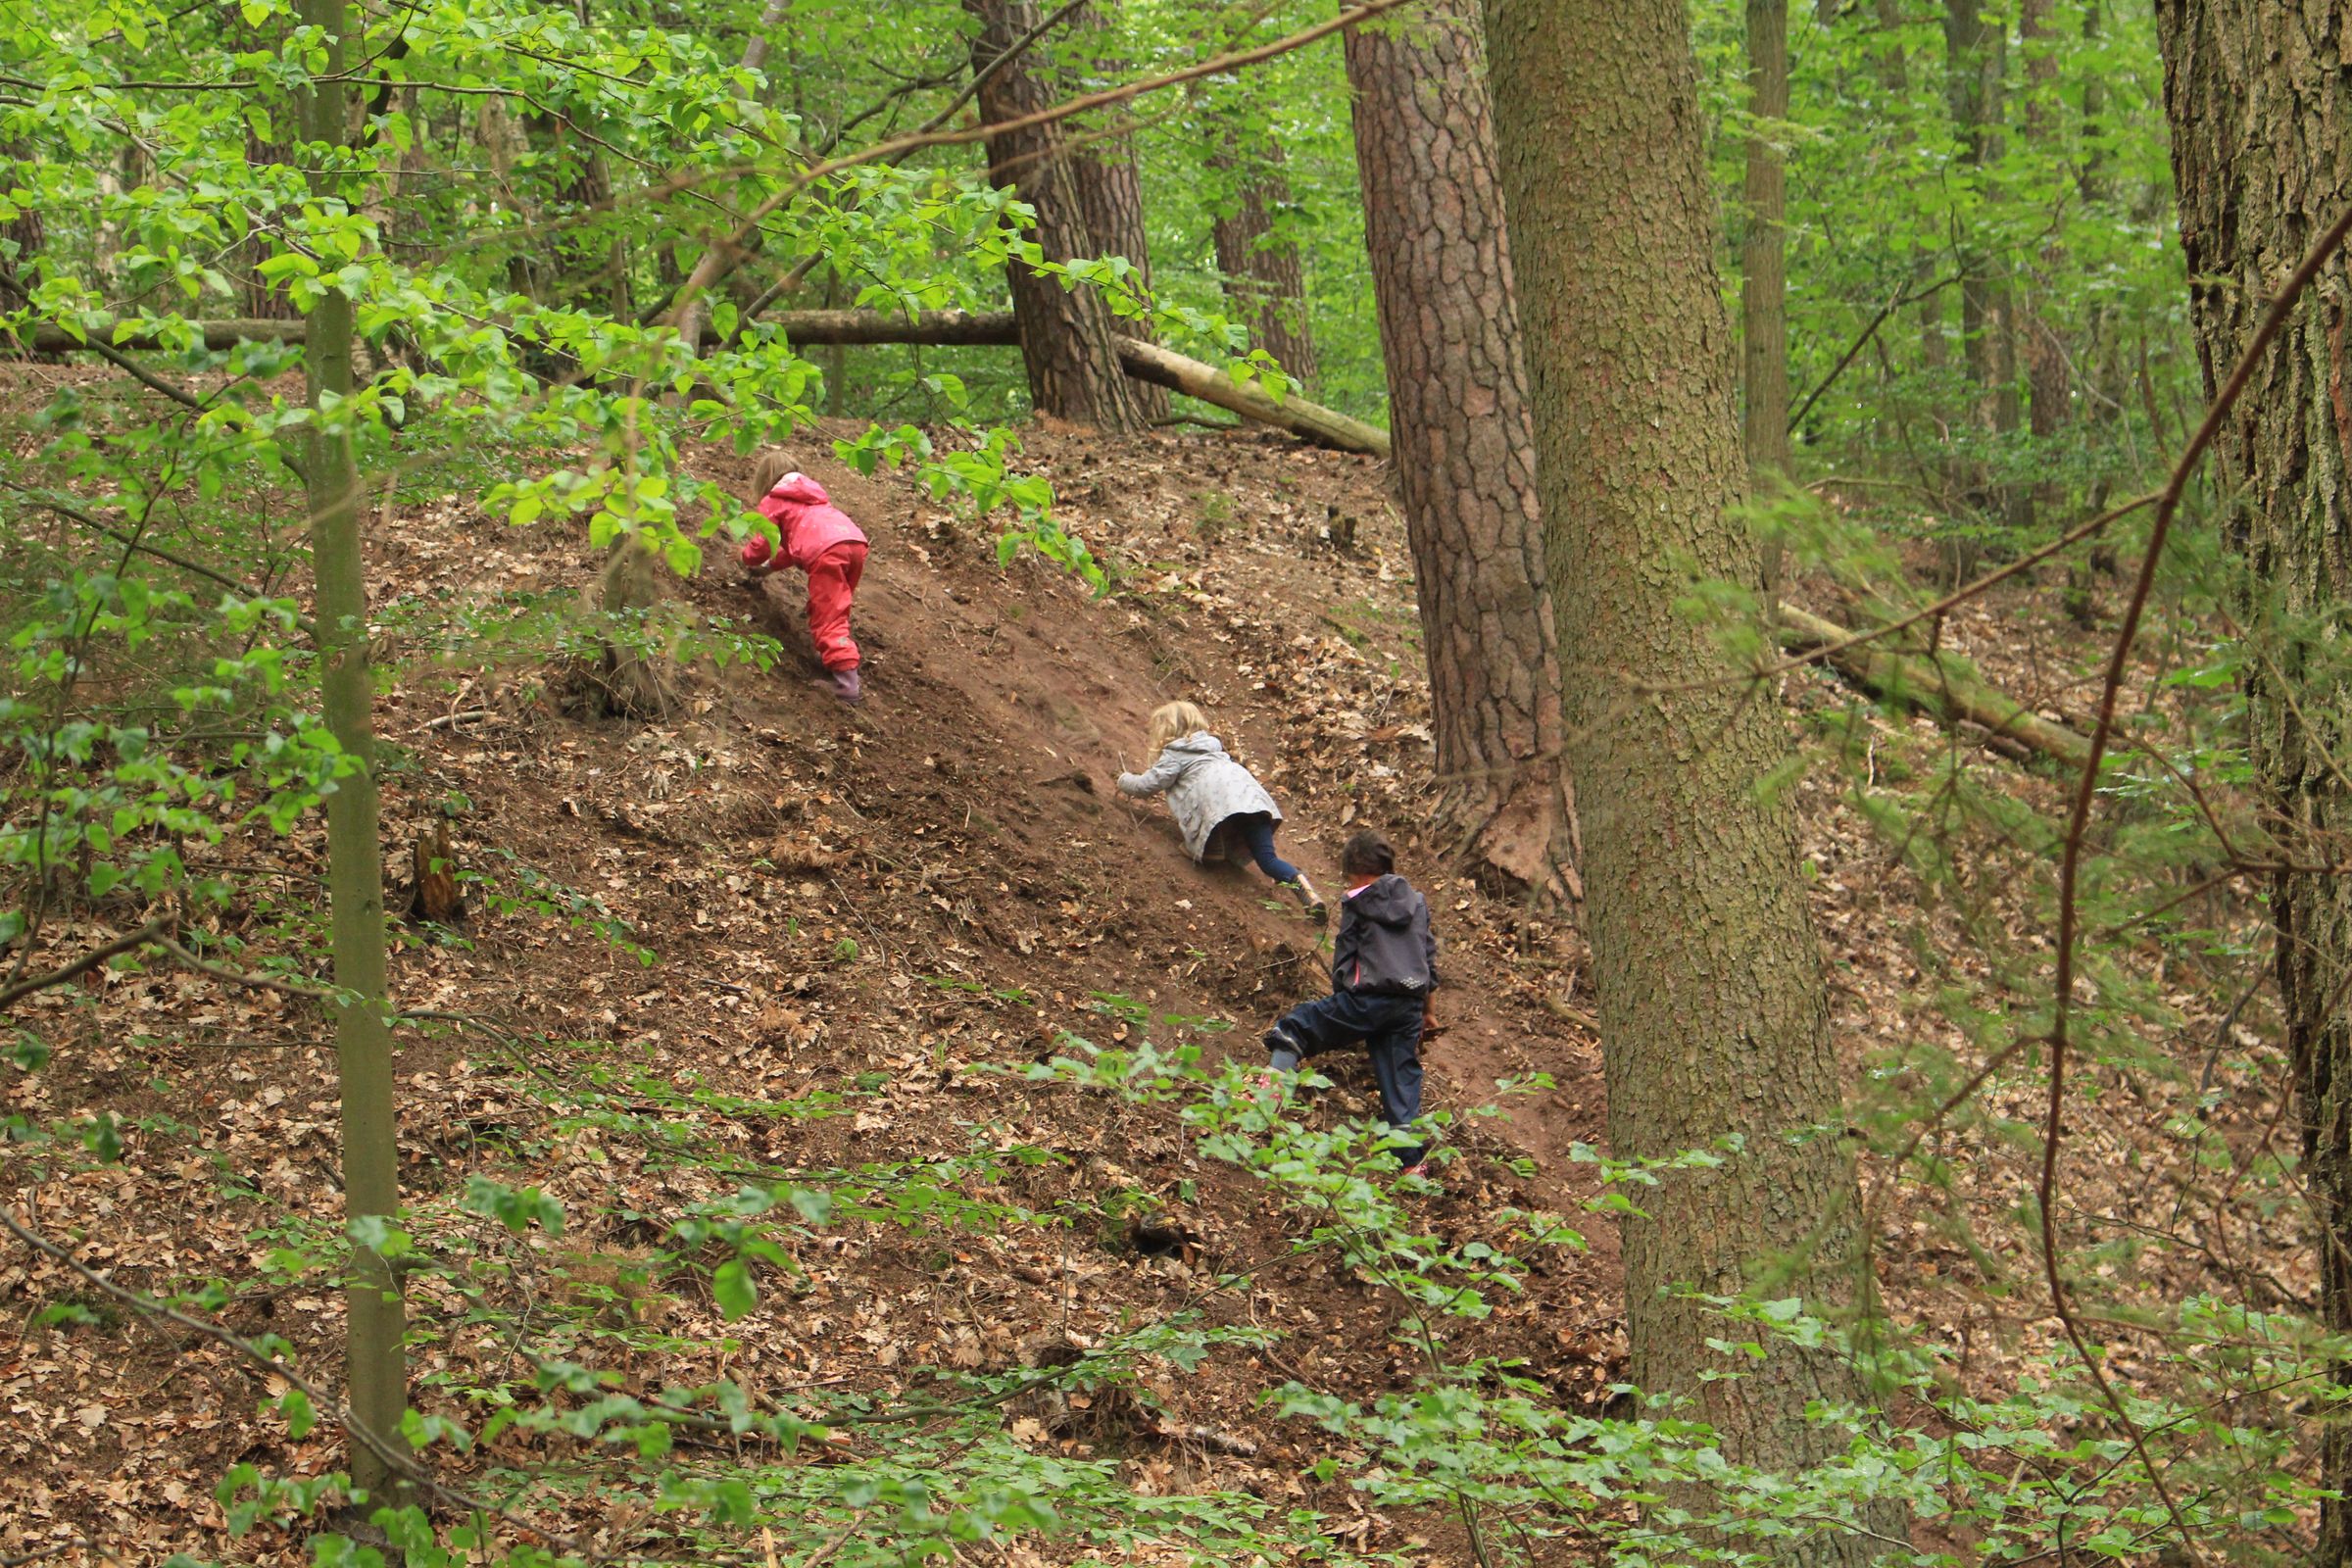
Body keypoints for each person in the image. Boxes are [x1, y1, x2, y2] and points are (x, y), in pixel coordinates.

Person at [1262, 829, 1439, 1179]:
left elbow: (1346, 953)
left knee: (1300, 1024)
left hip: (1368, 998)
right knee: (1400, 1083)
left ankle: (1272, 1091)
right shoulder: (1416, 902)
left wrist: (1342, 995)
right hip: (1408, 1005)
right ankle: (1412, 1166)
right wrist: (1428, 1011)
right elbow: (1428, 958)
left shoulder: (1358, 899)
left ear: (1353, 870)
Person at [1116, 701, 1326, 920]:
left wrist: (1123, 779)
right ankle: (1308, 892)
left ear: (1165, 730)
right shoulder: (1214, 747)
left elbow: (1147, 785)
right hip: (1251, 797)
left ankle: (1210, 848)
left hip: (1220, 806)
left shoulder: (1174, 754)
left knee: (1209, 813)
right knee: (1268, 860)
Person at [741, 449, 869, 704]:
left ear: (765, 479)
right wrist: (768, 568)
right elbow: (793, 546)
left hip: (828, 550)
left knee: (828, 613)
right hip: (854, 542)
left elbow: (762, 544)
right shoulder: (813, 499)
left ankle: (846, 685)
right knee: (833, 605)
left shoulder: (774, 500)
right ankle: (836, 657)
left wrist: (745, 558)